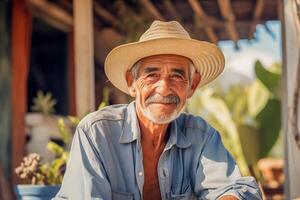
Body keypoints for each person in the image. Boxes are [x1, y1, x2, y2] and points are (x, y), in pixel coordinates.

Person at [54, 21, 262, 200]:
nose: (164, 88)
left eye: (177, 76)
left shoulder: (201, 137)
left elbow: (235, 189)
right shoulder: (96, 133)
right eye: (152, 75)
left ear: (192, 85)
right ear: (131, 83)